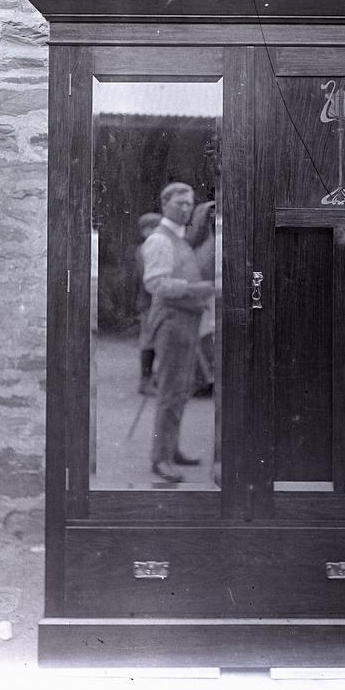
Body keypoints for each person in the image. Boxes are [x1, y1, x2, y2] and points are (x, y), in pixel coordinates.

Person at [141, 182, 215, 483]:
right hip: (171, 321)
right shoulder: (160, 240)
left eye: (189, 204)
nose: (185, 209)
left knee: (182, 389)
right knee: (171, 392)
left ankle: (172, 449)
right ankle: (160, 459)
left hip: (186, 321)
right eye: (179, 204)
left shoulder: (180, 238)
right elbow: (155, 284)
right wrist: (197, 289)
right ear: (164, 203)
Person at [185, 200, 216, 397]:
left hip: (212, 294)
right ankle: (203, 381)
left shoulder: (214, 243)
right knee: (199, 338)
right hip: (202, 294)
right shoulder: (198, 247)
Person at [134, 212, 161, 396]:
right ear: (145, 231)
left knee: (155, 339)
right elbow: (148, 278)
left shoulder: (152, 248)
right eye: (154, 228)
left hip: (152, 299)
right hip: (148, 300)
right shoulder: (144, 249)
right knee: (148, 340)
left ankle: (153, 378)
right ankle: (145, 381)